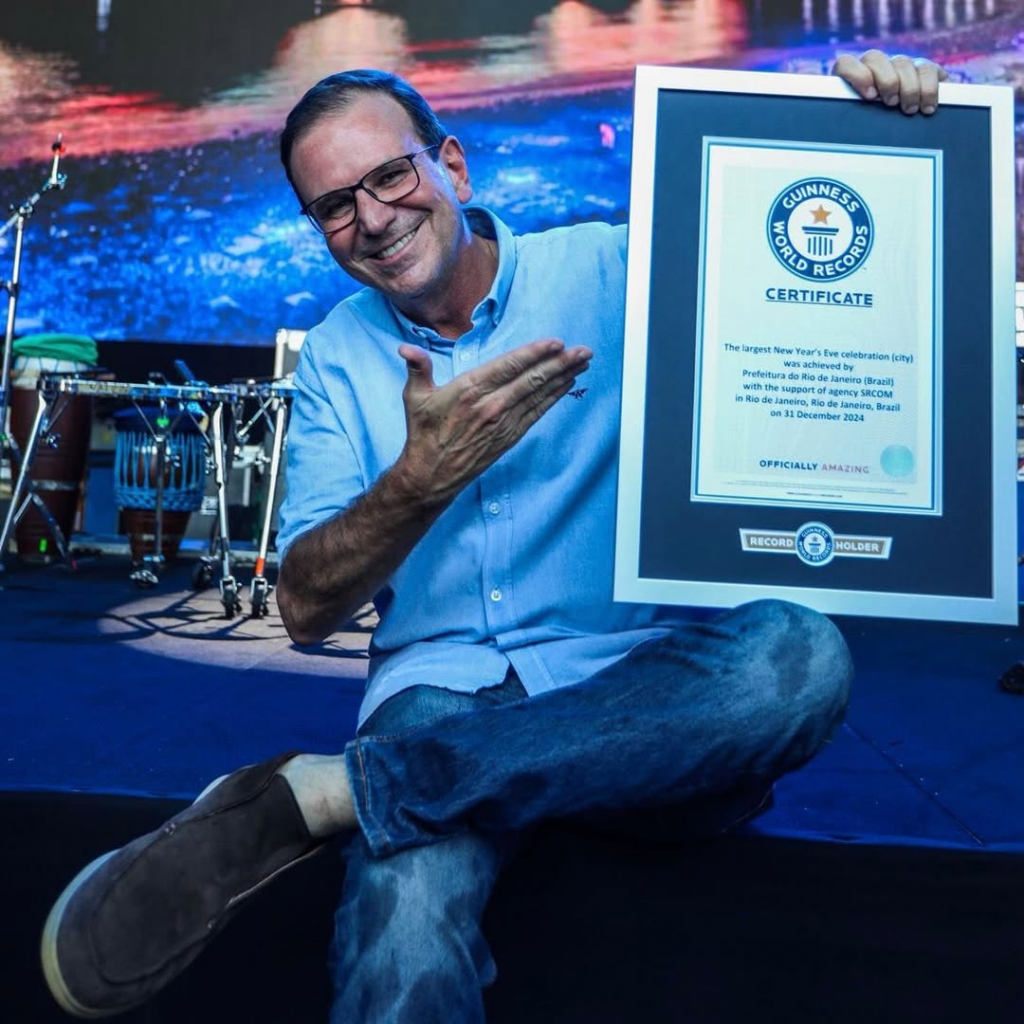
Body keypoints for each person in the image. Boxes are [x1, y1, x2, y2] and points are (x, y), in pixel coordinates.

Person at [41, 51, 946, 1022]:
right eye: (335, 205)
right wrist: (417, 484)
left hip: (632, 683)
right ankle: (425, 783)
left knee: (799, 654)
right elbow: (305, 609)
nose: (373, 218)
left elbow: (814, 249)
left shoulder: (617, 270)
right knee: (404, 910)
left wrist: (872, 120)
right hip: (441, 688)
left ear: (453, 167)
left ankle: (333, 793)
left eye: (389, 176)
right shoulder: (340, 356)